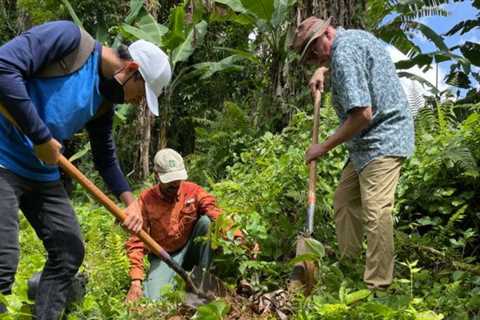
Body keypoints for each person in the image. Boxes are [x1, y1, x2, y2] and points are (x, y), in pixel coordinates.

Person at [0, 20, 171, 318]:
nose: (136, 102)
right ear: (131, 70)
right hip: (3, 155)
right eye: (140, 94)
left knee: (68, 251)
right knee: (2, 260)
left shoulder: (104, 102)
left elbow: (104, 156)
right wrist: (40, 136)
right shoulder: (68, 40)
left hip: (41, 172)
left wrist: (132, 204)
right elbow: (4, 67)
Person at [291, 17, 414, 290]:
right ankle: (349, 266)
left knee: (376, 210)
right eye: (309, 55)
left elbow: (362, 115)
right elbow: (352, 66)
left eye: (313, 50)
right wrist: (324, 70)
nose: (313, 57)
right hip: (363, 147)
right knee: (345, 202)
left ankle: (378, 287)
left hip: (382, 139)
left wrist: (322, 147)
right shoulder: (351, 39)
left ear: (327, 33)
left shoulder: (344, 52)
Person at [125, 148, 241, 302]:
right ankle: (179, 284)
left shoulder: (193, 191)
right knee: (154, 299)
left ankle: (204, 283)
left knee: (206, 223)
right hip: (163, 256)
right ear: (157, 176)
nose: (175, 184)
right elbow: (136, 241)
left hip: (191, 247)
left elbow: (216, 214)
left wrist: (239, 238)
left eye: (177, 179)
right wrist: (135, 281)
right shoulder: (146, 200)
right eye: (169, 180)